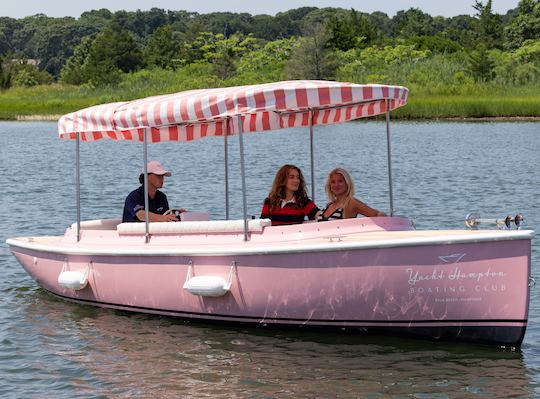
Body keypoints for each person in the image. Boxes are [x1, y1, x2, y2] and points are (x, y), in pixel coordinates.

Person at [318, 167, 385, 221]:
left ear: (347, 183)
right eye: (333, 182)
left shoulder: (351, 202)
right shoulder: (329, 205)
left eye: (340, 181)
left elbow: (378, 215)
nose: (336, 185)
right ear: (330, 186)